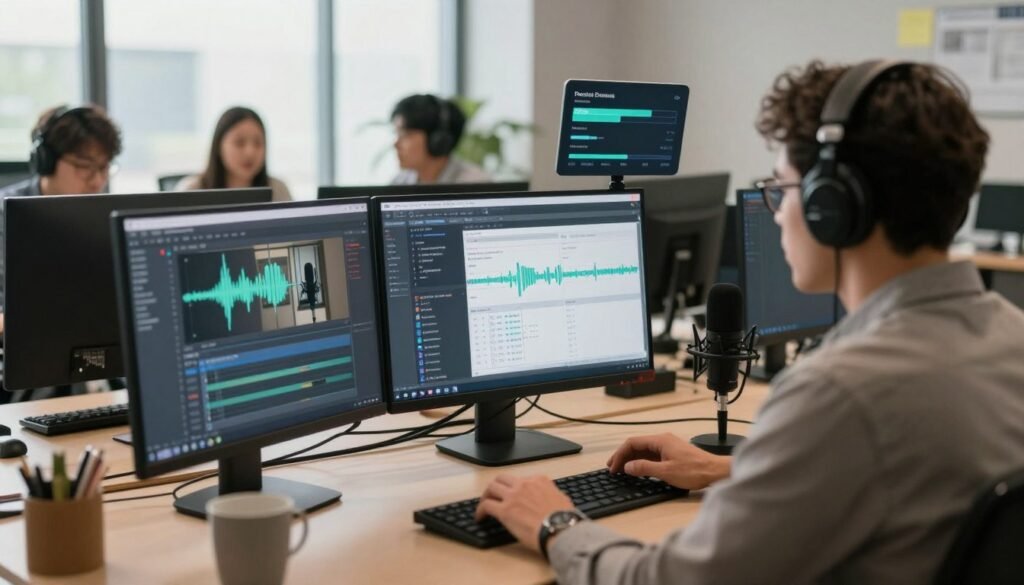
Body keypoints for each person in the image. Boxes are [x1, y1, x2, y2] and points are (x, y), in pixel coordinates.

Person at [473, 60, 1024, 584]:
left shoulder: (839, 393)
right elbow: (912, 487)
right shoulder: (1010, 337)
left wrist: (556, 523)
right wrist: (734, 473)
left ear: (831, 206)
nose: (776, 210)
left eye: (780, 188)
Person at [0, 104, 123, 335]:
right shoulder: (5, 215)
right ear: (46, 161)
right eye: (84, 167)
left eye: (104, 168)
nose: (97, 181)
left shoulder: (104, 217)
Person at [177, 107, 291, 202]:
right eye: (239, 143)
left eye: (258, 143)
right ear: (218, 146)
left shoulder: (277, 190)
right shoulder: (191, 190)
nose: (250, 152)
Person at [390, 94, 491, 185]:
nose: (395, 144)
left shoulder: (476, 184)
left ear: (437, 141)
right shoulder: (400, 182)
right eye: (396, 134)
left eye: (405, 135)